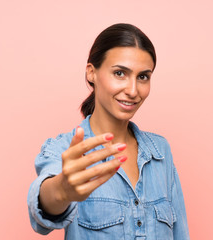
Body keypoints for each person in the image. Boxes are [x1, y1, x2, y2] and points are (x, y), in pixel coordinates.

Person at [27, 23, 190, 239]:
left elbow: (181, 234)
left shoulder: (160, 152)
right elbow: (45, 204)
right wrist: (62, 191)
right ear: (92, 73)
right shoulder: (64, 149)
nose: (132, 91)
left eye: (143, 77)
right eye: (120, 73)